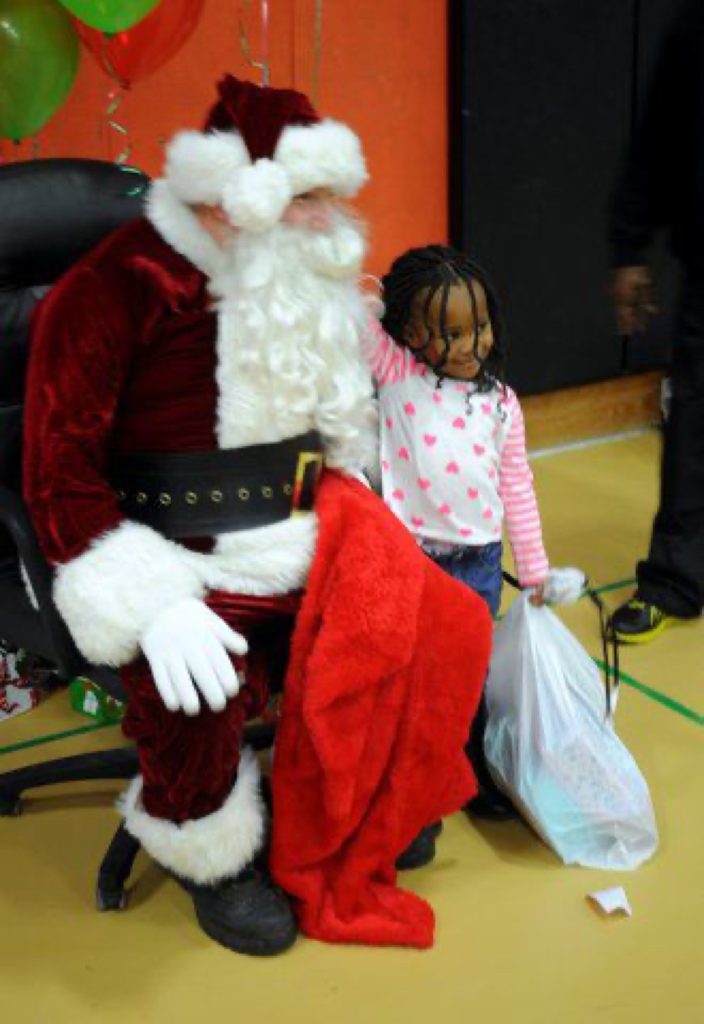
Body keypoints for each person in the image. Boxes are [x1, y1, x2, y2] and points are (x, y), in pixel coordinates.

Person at [22, 78, 493, 954]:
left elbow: (339, 422)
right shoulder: (117, 286)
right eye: (311, 200)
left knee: (438, 617)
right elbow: (58, 475)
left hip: (312, 523)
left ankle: (368, 797)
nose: (332, 220)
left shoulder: (302, 280)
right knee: (192, 685)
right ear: (244, 197)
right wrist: (151, 603)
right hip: (177, 552)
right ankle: (214, 852)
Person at [364, 244, 583, 818]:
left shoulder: (502, 405)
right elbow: (349, 320)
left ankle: (470, 766)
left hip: (479, 562)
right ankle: (405, 770)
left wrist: (534, 570)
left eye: (480, 327)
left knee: (467, 671)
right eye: (452, 333)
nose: (472, 346)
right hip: (408, 560)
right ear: (412, 334)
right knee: (407, 669)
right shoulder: (397, 375)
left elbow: (518, 487)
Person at [608, 0, 704, 642]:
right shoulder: (694, 31)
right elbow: (657, 140)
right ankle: (675, 578)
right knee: (695, 424)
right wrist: (629, 247)